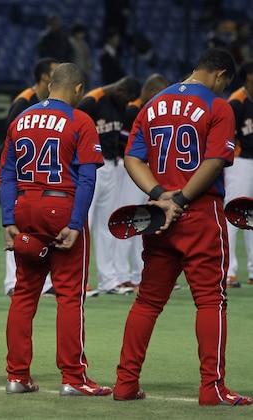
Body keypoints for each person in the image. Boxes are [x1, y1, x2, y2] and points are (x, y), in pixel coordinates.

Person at [114, 47, 252, 406]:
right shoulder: (217, 105)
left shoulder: (154, 103)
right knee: (210, 301)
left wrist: (161, 196)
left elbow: (132, 157)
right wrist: (181, 200)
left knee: (146, 302)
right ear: (221, 75)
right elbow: (216, 160)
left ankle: (125, 384)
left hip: (158, 217)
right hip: (199, 211)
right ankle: (212, 388)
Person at [0, 62, 109, 395]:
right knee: (69, 296)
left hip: (24, 206)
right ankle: (73, 378)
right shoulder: (80, 119)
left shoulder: (21, 119)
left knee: (24, 293)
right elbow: (88, 177)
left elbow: (6, 173)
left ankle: (17, 377)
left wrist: (8, 219)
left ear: (49, 86)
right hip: (60, 205)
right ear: (78, 89)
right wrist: (76, 222)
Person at [78, 76, 141, 296]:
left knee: (106, 225)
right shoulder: (91, 101)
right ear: (119, 87)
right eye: (126, 97)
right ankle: (79, 281)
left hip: (111, 166)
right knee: (83, 223)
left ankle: (108, 280)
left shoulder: (120, 104)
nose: (127, 102)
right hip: (89, 168)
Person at [3, 57, 60, 298]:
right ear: (45, 77)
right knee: (16, 231)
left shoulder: (44, 103)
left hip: (34, 178)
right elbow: (10, 143)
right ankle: (11, 281)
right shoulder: (24, 101)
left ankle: (42, 280)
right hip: (21, 177)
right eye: (55, 72)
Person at [113, 74, 169, 288]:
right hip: (131, 169)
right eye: (160, 93)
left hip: (145, 170)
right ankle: (120, 275)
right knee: (129, 219)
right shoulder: (134, 109)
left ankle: (138, 274)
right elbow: (123, 143)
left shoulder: (152, 111)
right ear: (151, 92)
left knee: (144, 221)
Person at [224, 59, 253, 288]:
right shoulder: (236, 102)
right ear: (246, 79)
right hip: (240, 163)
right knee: (234, 213)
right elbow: (229, 138)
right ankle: (228, 270)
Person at [69, 22, 92, 89]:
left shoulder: (84, 44)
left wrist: (88, 66)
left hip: (85, 72)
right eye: (80, 33)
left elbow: (87, 57)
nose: (82, 35)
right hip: (75, 71)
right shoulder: (71, 43)